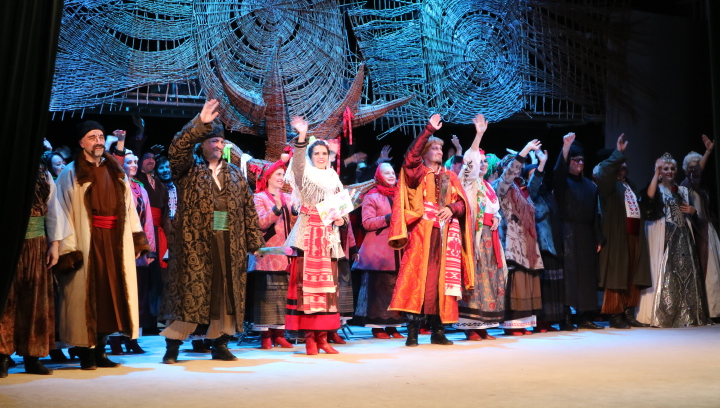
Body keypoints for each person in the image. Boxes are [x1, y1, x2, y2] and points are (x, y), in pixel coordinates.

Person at [159, 99, 264, 363]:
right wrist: (199, 124)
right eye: (213, 140)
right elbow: (177, 149)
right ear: (201, 144)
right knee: (189, 295)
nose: (218, 145)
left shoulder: (235, 175)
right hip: (196, 245)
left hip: (229, 243)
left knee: (225, 294)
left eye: (221, 141)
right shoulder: (188, 171)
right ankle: (173, 346)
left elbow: (248, 210)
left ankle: (220, 343)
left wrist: (254, 242)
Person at [54, 120, 150, 370]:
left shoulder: (115, 171)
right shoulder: (71, 173)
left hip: (114, 241)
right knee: (88, 295)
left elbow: (129, 208)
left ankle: (101, 349)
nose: (97, 141)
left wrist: (135, 238)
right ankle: (85, 351)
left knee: (111, 295)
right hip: (87, 240)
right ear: (81, 143)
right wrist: (68, 248)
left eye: (100, 136)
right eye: (92, 137)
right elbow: (61, 212)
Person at [388, 114, 474, 347]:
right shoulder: (417, 173)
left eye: (440, 148)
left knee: (441, 282)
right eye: (433, 148)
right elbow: (410, 157)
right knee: (417, 280)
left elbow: (463, 204)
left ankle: (438, 331)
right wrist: (428, 131)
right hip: (421, 234)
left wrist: (451, 208)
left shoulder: (450, 176)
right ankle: (412, 332)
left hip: (445, 236)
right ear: (425, 153)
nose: (438, 151)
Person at [283, 117, 350, 355]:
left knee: (327, 290)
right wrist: (302, 137)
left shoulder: (334, 180)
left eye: (324, 153)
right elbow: (297, 165)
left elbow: (342, 210)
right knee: (306, 290)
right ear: (311, 157)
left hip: (328, 240)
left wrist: (342, 220)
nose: (321, 157)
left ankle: (323, 337)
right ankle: (309, 338)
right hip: (307, 238)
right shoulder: (306, 176)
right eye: (317, 153)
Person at [0, 159, 72, 377]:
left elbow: (53, 210)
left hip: (37, 243)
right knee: (7, 301)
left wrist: (55, 245)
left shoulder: (42, 173)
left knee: (35, 301)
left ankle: (33, 356)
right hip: (7, 244)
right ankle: (2, 356)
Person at [637, 153, 709, 327]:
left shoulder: (681, 190)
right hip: (665, 233)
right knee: (666, 272)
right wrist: (656, 172)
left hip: (683, 235)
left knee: (686, 273)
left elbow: (696, 174)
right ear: (660, 172)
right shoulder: (657, 188)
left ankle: (688, 314)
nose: (669, 171)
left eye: (671, 169)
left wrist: (693, 211)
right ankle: (665, 314)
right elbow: (649, 197)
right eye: (665, 169)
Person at [452, 114, 508, 340]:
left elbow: (495, 210)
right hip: (474, 238)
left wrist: (497, 219)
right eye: (480, 162)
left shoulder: (489, 187)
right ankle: (470, 326)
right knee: (474, 278)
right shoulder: (468, 183)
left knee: (489, 279)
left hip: (490, 240)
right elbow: (470, 163)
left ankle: (483, 324)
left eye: (485, 162)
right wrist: (479, 135)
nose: (482, 165)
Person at [595, 135, 652, 329]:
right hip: (617, 236)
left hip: (634, 235)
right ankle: (615, 314)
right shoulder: (608, 185)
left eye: (625, 165)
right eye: (620, 165)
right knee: (617, 274)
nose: (623, 167)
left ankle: (628, 312)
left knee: (633, 272)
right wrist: (618, 153)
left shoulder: (629, 185)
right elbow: (603, 172)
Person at [553, 133, 604, 330]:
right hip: (566, 231)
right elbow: (558, 171)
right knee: (568, 276)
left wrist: (597, 237)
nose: (580, 163)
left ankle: (585, 316)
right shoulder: (562, 182)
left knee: (587, 276)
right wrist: (565, 147)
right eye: (575, 160)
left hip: (585, 233)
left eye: (582, 160)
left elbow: (595, 214)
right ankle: (565, 317)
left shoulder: (591, 186)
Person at [493, 142, 544, 335]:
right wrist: (524, 151)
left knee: (528, 281)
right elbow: (510, 172)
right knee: (516, 281)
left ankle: (523, 322)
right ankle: (511, 324)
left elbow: (535, 185)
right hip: (511, 240)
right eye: (514, 166)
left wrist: (541, 163)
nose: (517, 169)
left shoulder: (522, 189)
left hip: (526, 240)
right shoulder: (501, 186)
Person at [353, 162, 404, 339]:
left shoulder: (400, 196)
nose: (391, 176)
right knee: (378, 289)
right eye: (387, 173)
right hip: (378, 251)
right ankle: (377, 327)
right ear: (379, 176)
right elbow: (367, 223)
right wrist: (388, 218)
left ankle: (392, 326)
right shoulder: (372, 196)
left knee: (394, 288)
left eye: (393, 173)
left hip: (398, 250)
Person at [248, 160, 295, 349]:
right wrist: (276, 209)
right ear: (268, 177)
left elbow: (295, 222)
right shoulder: (258, 198)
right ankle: (266, 336)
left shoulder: (289, 198)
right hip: (266, 254)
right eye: (278, 174)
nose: (281, 178)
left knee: (282, 295)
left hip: (285, 253)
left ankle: (280, 334)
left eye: (283, 175)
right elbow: (260, 223)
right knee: (266, 295)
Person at [117, 152, 157, 353]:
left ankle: (132, 337)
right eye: (129, 162)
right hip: (119, 245)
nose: (133, 165)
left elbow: (147, 220)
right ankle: (115, 339)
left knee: (138, 294)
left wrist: (149, 250)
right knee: (120, 292)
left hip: (137, 247)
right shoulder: (117, 186)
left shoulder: (140, 189)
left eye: (135, 162)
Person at [680, 135, 720, 320]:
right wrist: (708, 152)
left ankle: (714, 309)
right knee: (705, 270)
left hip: (708, 229)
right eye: (692, 166)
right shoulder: (685, 185)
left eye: (697, 165)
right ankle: (705, 311)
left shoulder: (702, 188)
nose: (696, 169)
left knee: (714, 271)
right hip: (696, 231)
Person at [134, 150, 170, 334]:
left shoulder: (160, 184)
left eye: (153, 159)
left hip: (159, 231)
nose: (151, 161)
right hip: (143, 229)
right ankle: (144, 321)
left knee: (159, 277)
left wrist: (167, 235)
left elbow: (165, 212)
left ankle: (156, 319)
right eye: (147, 158)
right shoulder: (137, 183)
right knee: (144, 277)